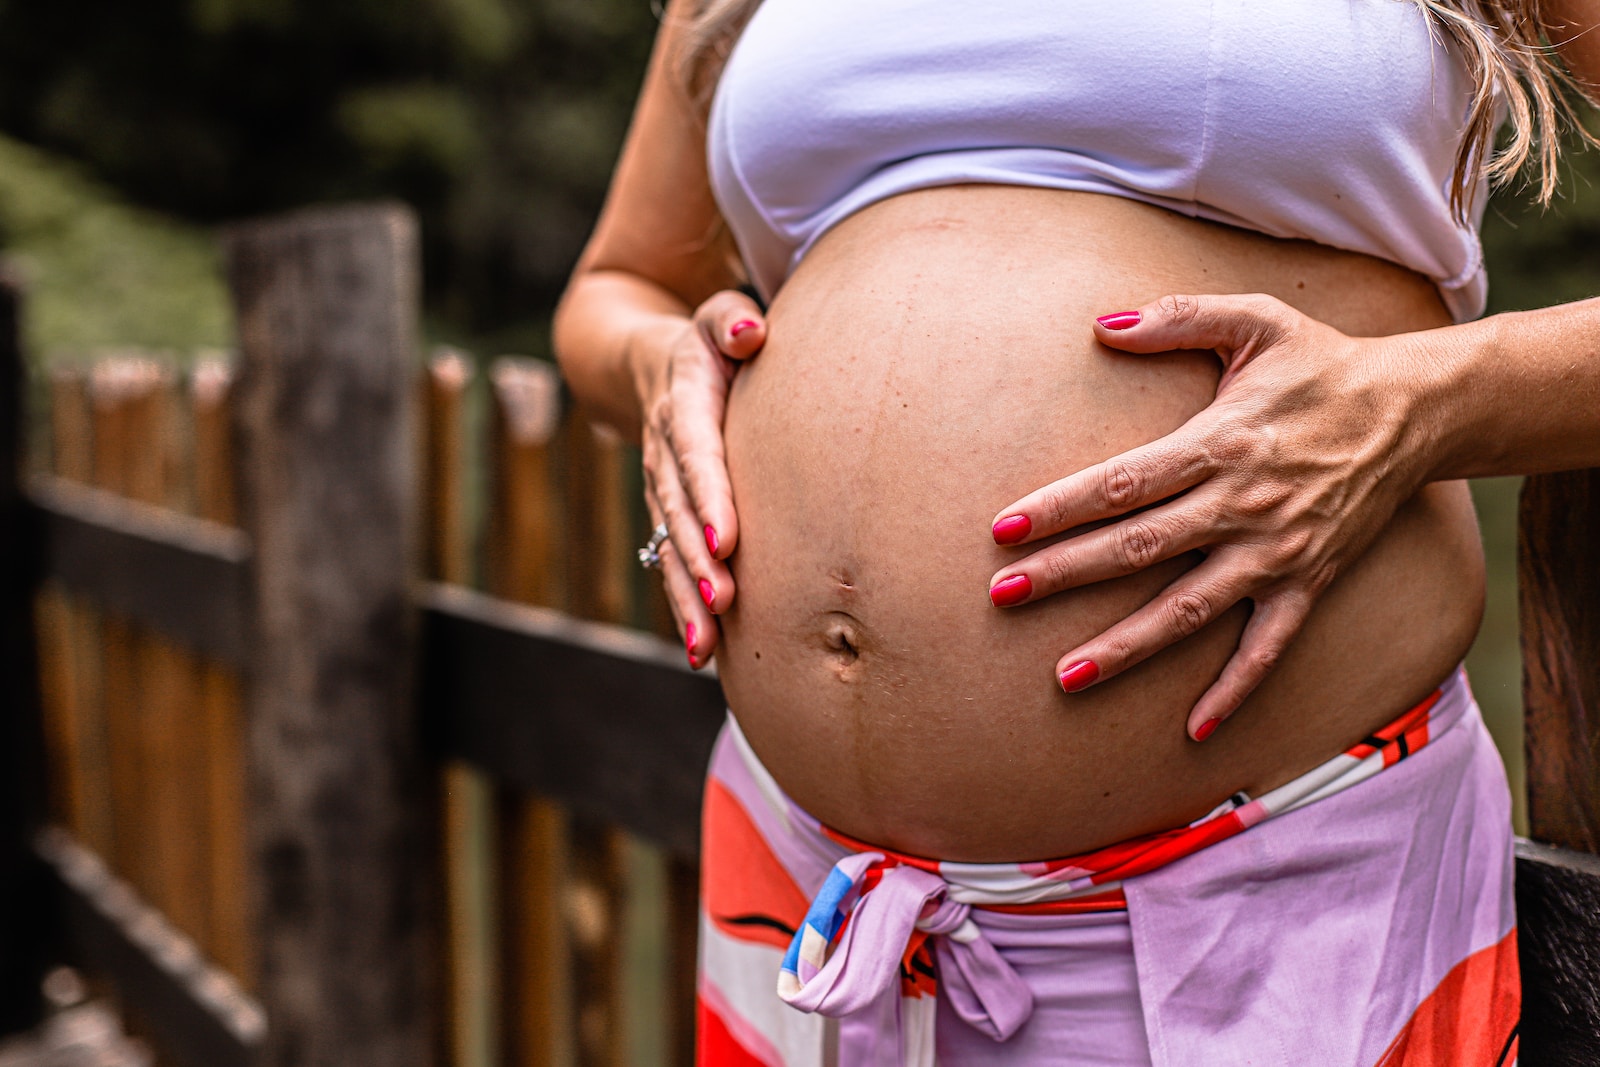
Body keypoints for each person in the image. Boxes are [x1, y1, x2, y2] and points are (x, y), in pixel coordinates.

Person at [554, 1, 1600, 1062]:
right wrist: (657, 366)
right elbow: (616, 288)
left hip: (1266, 901)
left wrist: (1418, 401)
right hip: (809, 888)